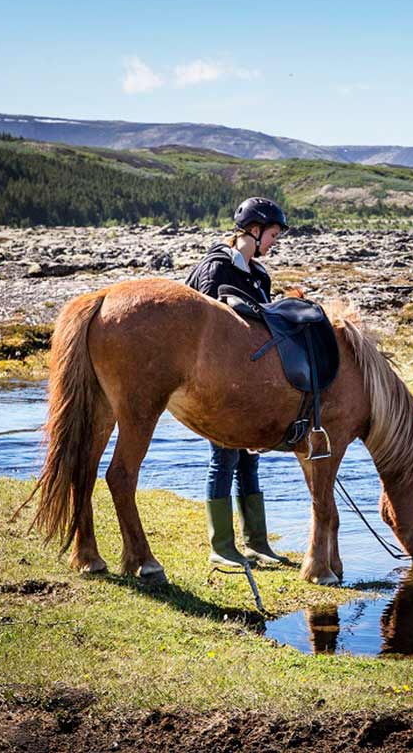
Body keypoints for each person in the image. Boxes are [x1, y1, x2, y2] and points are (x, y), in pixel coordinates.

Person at [183, 196, 288, 569]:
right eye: (272, 235)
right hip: (217, 385)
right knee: (223, 458)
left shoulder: (260, 276)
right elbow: (204, 333)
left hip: (249, 385)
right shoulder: (214, 269)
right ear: (254, 230)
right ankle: (221, 547)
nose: (274, 242)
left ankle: (257, 543)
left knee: (248, 461)